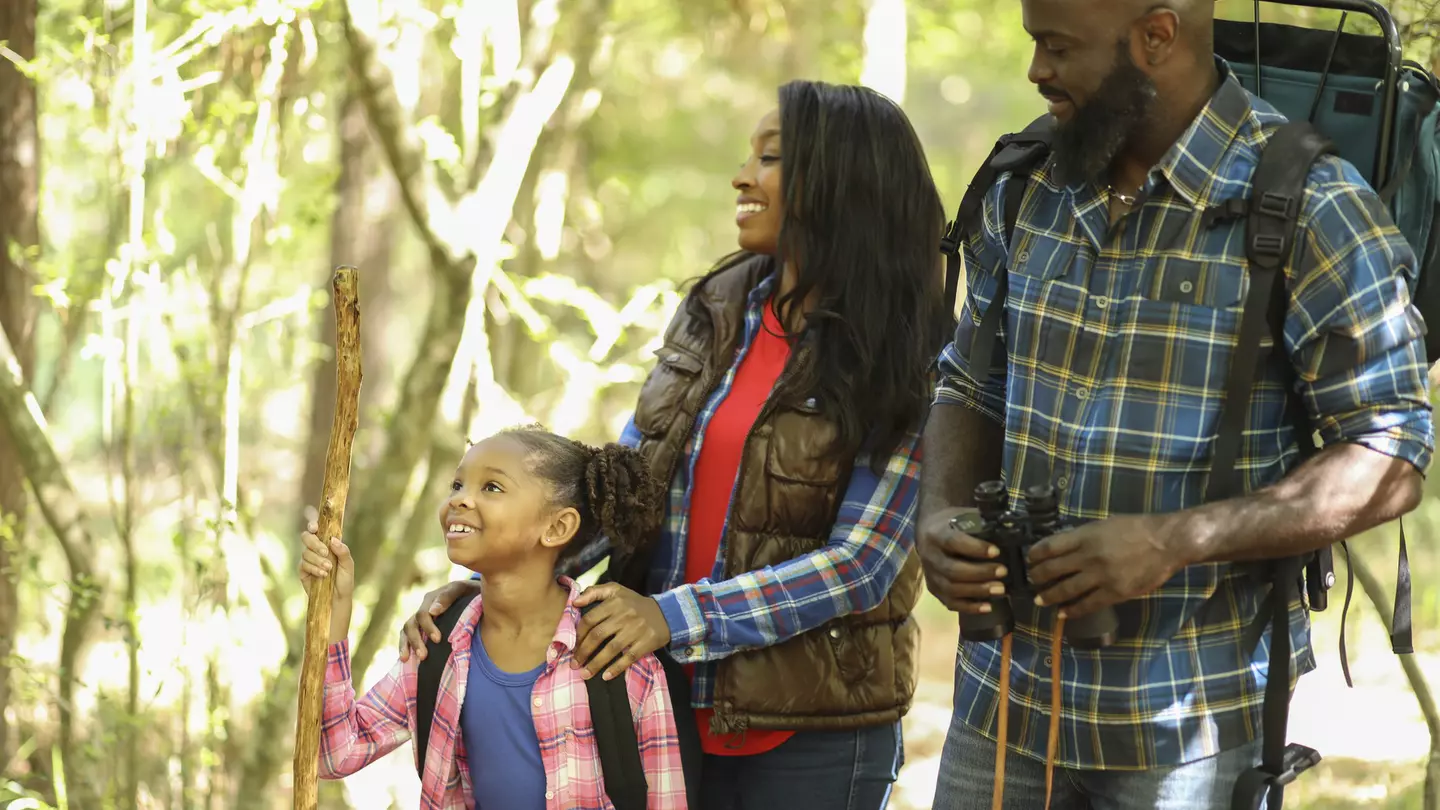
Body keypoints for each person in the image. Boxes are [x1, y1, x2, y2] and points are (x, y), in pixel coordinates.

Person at [920, 0, 1435, 808]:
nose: (1036, 72)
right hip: (1002, 704)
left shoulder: (1311, 205)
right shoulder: (1028, 186)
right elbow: (967, 380)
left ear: (1156, 35)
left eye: (1057, 47)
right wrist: (941, 511)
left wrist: (1175, 540)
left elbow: (1392, 452)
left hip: (1192, 724)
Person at [395, 79, 951, 808]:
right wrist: (506, 576)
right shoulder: (715, 310)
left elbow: (859, 567)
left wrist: (669, 617)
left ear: (843, 181)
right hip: (657, 712)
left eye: (772, 158)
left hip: (811, 738)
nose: (742, 176)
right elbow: (630, 487)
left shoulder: (909, 351)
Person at [297, 426, 689, 809]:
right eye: (457, 485)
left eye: (492, 487)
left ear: (556, 527)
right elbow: (336, 754)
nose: (460, 500)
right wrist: (335, 612)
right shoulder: (436, 644)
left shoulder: (618, 657)